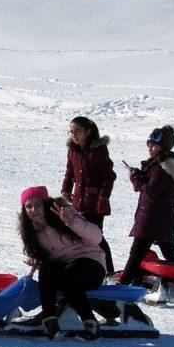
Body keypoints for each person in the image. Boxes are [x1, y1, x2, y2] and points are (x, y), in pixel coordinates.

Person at [17, 186, 106, 340]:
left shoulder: (64, 214)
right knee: (46, 269)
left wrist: (71, 221)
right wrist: (34, 257)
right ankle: (50, 322)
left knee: (68, 275)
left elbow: (97, 237)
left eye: (37, 205)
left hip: (91, 265)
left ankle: (91, 325)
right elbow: (41, 255)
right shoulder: (29, 228)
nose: (33, 210)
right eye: (28, 206)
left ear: (45, 205)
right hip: (63, 268)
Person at [119, 125, 174, 286]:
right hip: (160, 218)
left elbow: (150, 193)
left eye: (154, 146)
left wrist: (135, 177)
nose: (150, 149)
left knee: (137, 253)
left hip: (154, 219)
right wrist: (139, 174)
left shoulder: (163, 168)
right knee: (168, 254)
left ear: (163, 147)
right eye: (149, 145)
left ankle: (124, 285)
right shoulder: (161, 164)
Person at [61, 116, 116, 274]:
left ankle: (109, 271)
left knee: (96, 237)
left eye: (78, 131)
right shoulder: (73, 149)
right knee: (77, 234)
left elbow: (109, 176)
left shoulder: (98, 150)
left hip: (94, 203)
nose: (74, 135)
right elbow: (69, 172)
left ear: (88, 131)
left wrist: (103, 198)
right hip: (78, 201)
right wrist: (66, 190)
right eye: (71, 131)